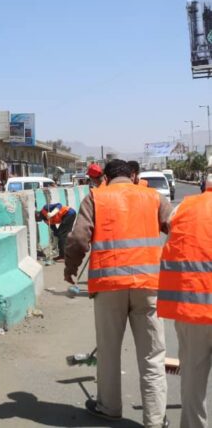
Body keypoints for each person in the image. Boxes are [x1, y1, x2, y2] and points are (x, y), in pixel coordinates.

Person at [64, 159, 171, 427]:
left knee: (109, 351)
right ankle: (155, 419)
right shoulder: (153, 197)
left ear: (106, 178)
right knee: (153, 356)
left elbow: (78, 239)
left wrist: (71, 268)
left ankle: (109, 408)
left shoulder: (96, 197)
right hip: (148, 285)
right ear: (132, 176)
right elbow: (178, 229)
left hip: (108, 286)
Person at [157, 173, 212, 428]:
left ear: (204, 187)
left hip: (194, 307)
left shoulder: (184, 208)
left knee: (192, 378)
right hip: (196, 306)